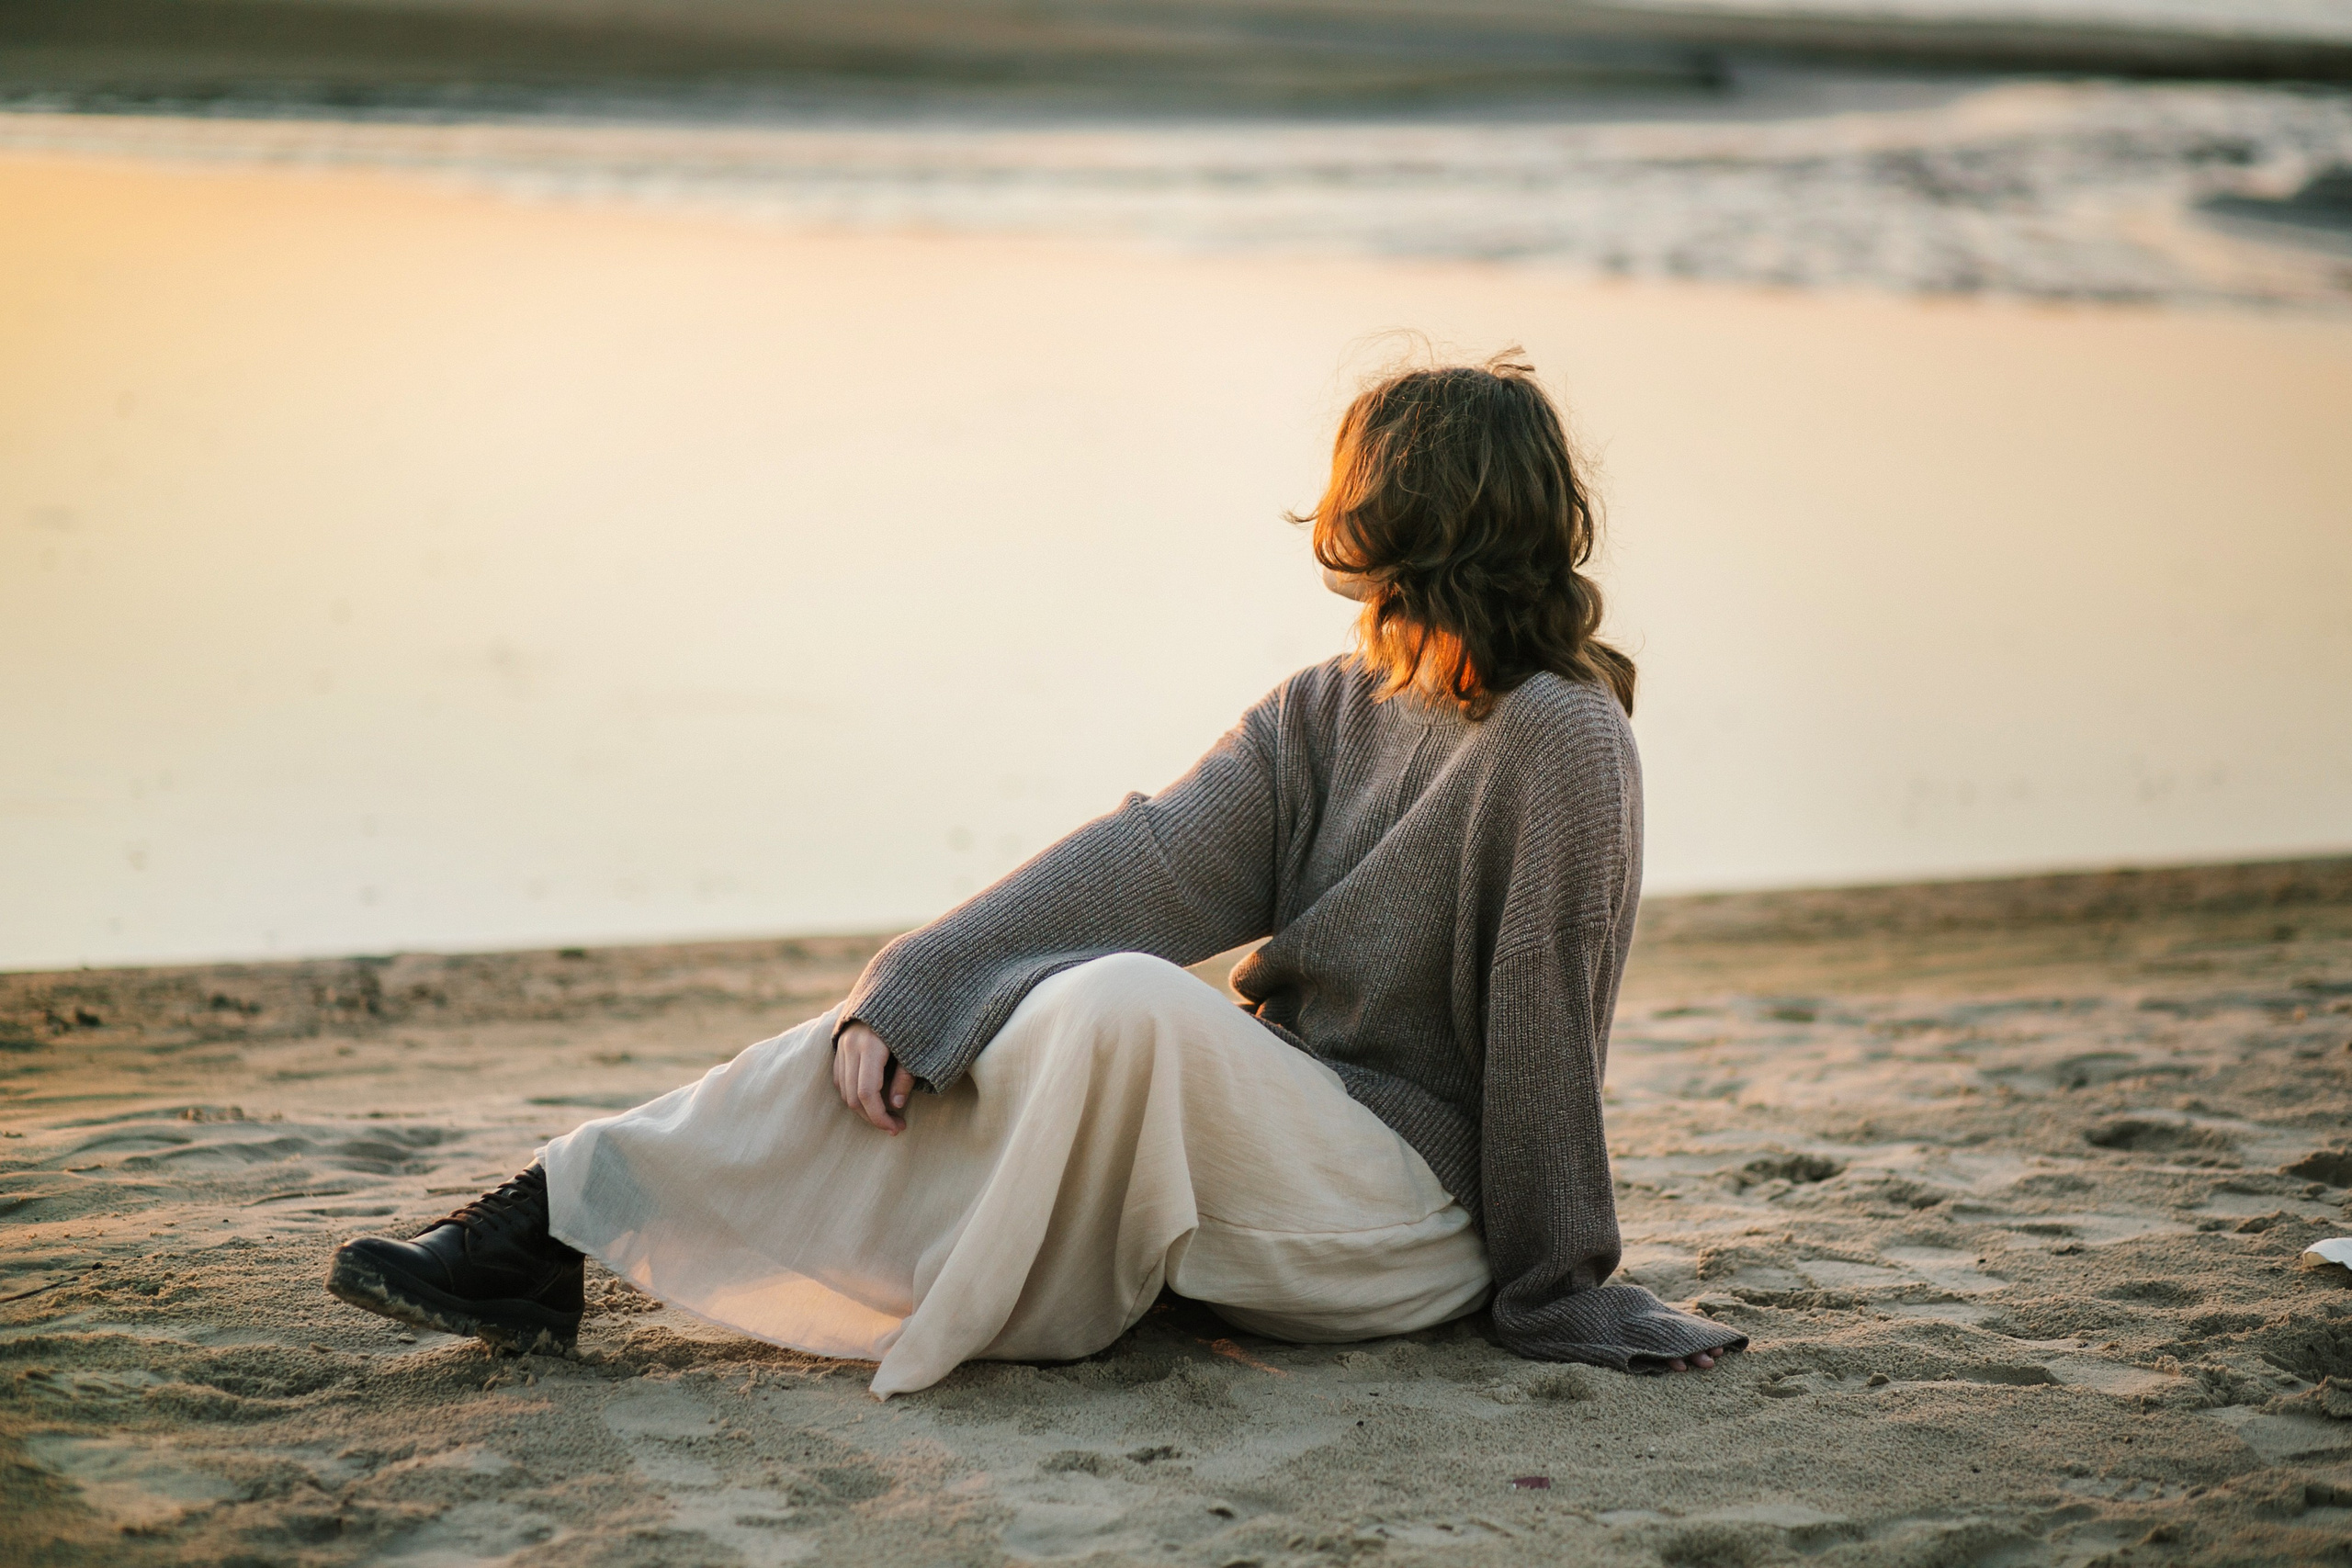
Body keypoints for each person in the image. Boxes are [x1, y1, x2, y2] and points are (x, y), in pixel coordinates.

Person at [324, 352, 1747, 1393]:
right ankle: (554, 1215)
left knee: (1119, 1004)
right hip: (1278, 1166)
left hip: (1416, 1223)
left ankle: (957, 1277)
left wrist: (1561, 1288)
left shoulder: (1562, 738)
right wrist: (913, 989)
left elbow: (1548, 1021)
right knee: (997, 1011)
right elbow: (1149, 856)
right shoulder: (1332, 706)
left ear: (1405, 515)